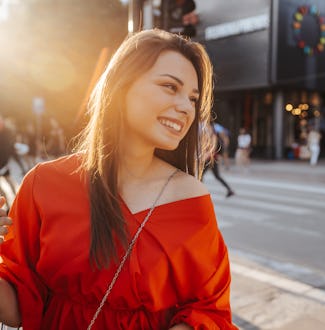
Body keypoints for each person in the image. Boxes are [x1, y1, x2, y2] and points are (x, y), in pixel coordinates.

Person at [0, 29, 236, 329]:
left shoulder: (191, 199)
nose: (186, 108)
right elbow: (17, 310)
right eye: (169, 86)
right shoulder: (43, 184)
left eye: (193, 98)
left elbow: (208, 309)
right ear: (121, 86)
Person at [204, 123, 235, 198]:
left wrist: (204, 158)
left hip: (211, 159)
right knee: (215, 176)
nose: (207, 129)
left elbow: (212, 149)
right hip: (211, 158)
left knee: (200, 176)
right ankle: (229, 190)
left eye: (208, 127)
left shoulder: (213, 136)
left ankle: (199, 194)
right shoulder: (209, 135)